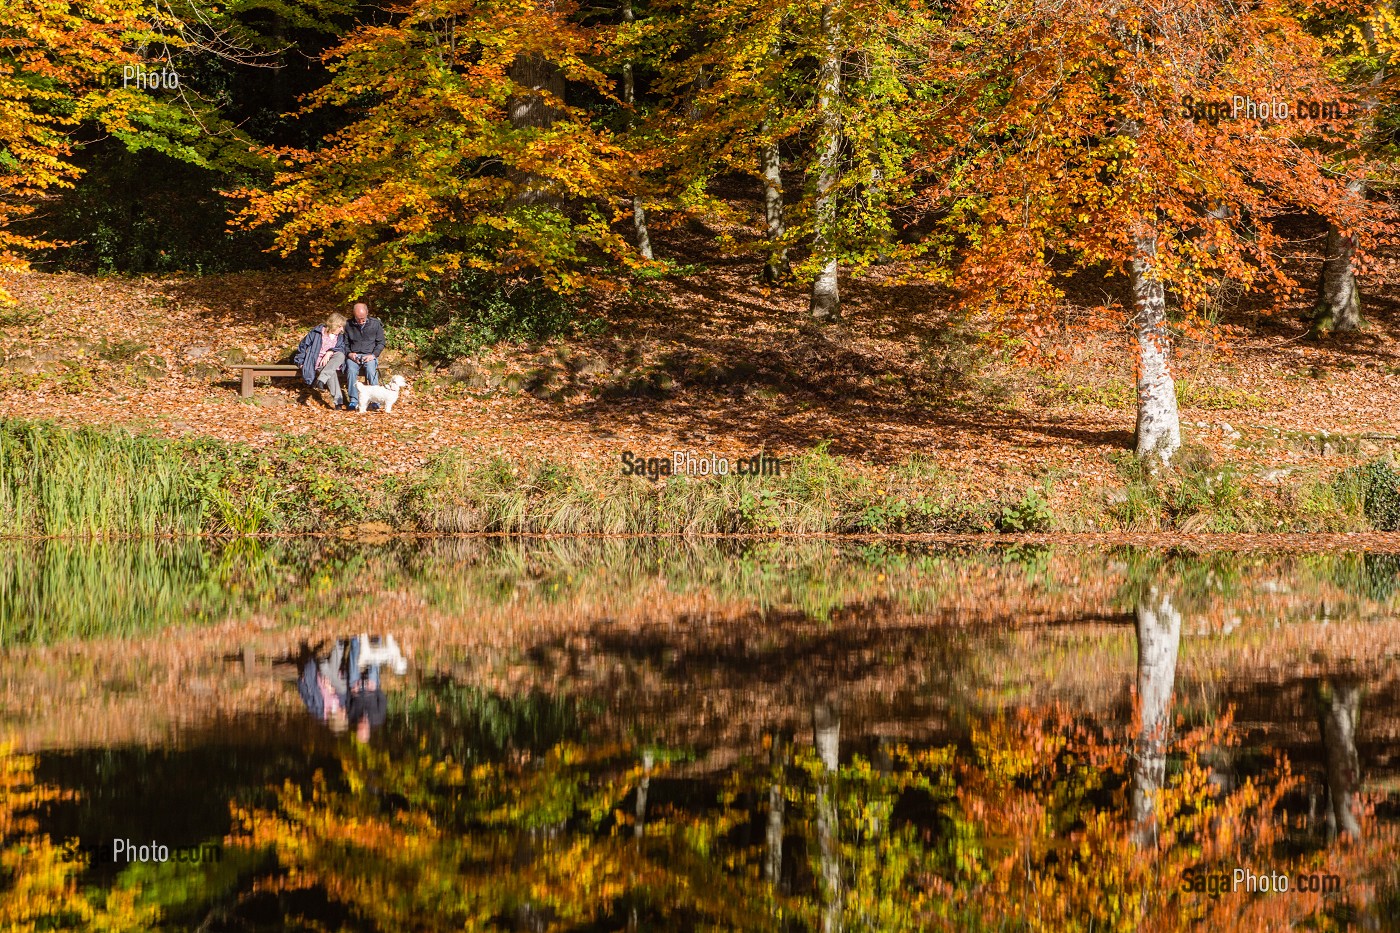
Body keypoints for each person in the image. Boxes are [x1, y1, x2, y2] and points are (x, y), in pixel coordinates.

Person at [292, 313, 349, 410]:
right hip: (318, 363)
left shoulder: (340, 336)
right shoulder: (316, 333)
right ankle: (338, 403)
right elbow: (302, 346)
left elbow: (343, 348)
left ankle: (321, 380)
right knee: (331, 373)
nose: (342, 330)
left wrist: (330, 352)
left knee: (340, 355)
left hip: (333, 361)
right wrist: (300, 362)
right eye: (340, 327)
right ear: (334, 325)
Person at [343, 302, 386, 412]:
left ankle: (375, 400)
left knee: (371, 371)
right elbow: (344, 344)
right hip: (354, 355)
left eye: (362, 318)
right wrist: (349, 353)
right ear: (354, 315)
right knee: (351, 371)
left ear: (367, 313)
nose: (360, 321)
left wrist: (373, 355)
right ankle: (354, 400)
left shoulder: (375, 324)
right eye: (358, 318)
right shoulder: (348, 324)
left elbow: (381, 343)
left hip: (369, 355)